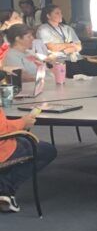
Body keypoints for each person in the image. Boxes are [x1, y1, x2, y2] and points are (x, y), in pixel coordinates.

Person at [0, 64, 57, 214]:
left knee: (26, 141)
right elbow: (2, 131)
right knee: (46, 150)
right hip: (2, 148)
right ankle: (5, 189)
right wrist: (23, 123)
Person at [35, 5, 97, 77]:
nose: (61, 15)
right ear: (48, 16)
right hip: (60, 61)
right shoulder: (43, 29)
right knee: (80, 75)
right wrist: (70, 45)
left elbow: (79, 46)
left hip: (77, 58)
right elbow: (52, 47)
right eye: (57, 13)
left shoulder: (67, 28)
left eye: (61, 13)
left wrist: (66, 49)